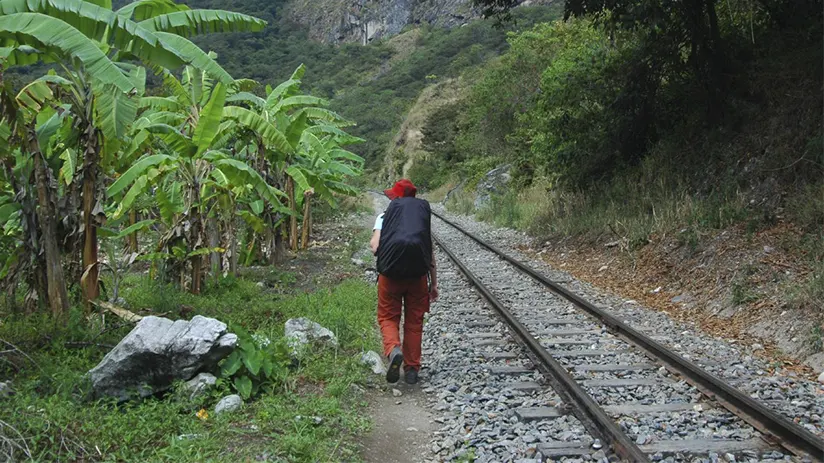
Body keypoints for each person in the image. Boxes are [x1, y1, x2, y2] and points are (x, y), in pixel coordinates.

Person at [370, 179, 438, 385]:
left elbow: (375, 246)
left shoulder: (384, 216)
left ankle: (393, 350)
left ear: (395, 197)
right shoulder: (419, 218)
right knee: (414, 322)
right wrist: (433, 285)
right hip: (417, 277)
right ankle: (411, 370)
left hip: (390, 276)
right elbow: (430, 255)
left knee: (388, 317)